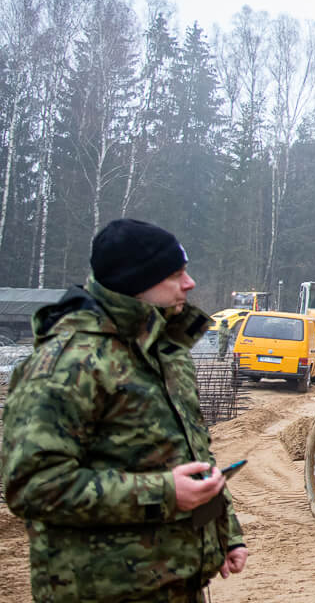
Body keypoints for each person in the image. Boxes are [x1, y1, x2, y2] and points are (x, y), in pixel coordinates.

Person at [1, 218, 248, 602]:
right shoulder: (72, 362)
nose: (190, 284)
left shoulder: (166, 353)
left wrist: (224, 533)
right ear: (138, 282)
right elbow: (33, 486)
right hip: (100, 589)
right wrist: (165, 493)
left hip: (176, 584)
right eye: (176, 274)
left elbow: (193, 456)